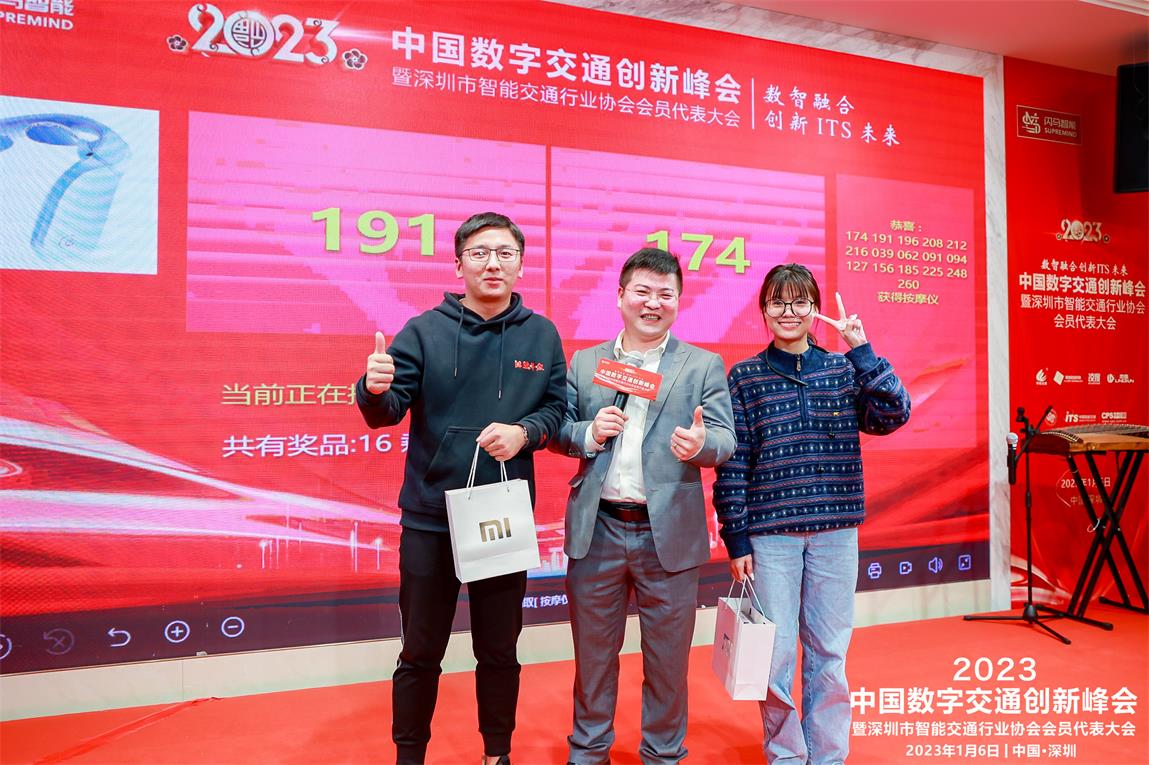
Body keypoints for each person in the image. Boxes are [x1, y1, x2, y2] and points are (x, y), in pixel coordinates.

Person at [356, 212, 567, 765]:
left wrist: (525, 433)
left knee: (498, 650)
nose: (492, 263)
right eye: (479, 253)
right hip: (430, 519)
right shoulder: (423, 331)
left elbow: (556, 409)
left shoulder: (541, 334)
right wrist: (372, 388)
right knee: (420, 651)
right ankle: (409, 756)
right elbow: (385, 410)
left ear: (521, 264)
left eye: (504, 253)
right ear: (458, 265)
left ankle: (497, 753)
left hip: (501, 515)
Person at [714, 263, 911, 765]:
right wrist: (736, 539)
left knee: (829, 652)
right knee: (774, 655)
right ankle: (786, 754)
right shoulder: (745, 377)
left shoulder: (843, 369)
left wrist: (861, 349)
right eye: (777, 302)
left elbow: (894, 413)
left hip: (836, 532)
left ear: (815, 310)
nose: (789, 312)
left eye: (800, 302)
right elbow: (733, 463)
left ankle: (827, 755)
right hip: (771, 537)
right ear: (763, 311)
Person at [549, 247, 736, 765]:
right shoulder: (587, 362)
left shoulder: (702, 365)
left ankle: (663, 755)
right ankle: (588, 753)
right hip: (599, 530)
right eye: (643, 292)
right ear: (620, 296)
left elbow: (725, 439)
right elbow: (558, 429)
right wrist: (589, 433)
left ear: (678, 301)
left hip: (667, 535)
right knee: (593, 660)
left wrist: (700, 445)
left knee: (668, 664)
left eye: (665, 294)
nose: (653, 303)